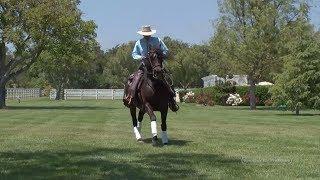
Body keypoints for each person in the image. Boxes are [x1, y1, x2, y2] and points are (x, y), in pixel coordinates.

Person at [125, 25, 179, 112]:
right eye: (145, 34)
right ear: (142, 34)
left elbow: (166, 50)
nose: (147, 35)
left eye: (148, 34)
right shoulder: (139, 42)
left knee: (167, 79)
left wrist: (160, 54)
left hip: (157, 65)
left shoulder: (157, 40)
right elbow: (134, 54)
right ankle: (130, 97)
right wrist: (141, 57)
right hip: (144, 66)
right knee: (135, 79)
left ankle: (171, 100)